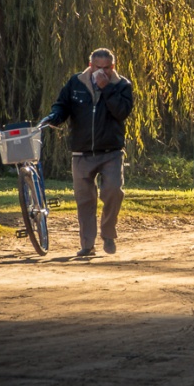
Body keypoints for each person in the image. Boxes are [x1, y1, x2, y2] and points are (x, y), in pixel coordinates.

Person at [42, 48, 135, 257]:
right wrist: (55, 117)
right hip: (81, 153)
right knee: (84, 200)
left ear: (113, 66)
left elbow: (122, 112)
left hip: (111, 151)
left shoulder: (121, 85)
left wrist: (107, 89)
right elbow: (62, 105)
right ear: (90, 65)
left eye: (107, 68)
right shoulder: (76, 82)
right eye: (98, 67)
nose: (102, 72)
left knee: (113, 191)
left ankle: (108, 233)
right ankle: (87, 244)